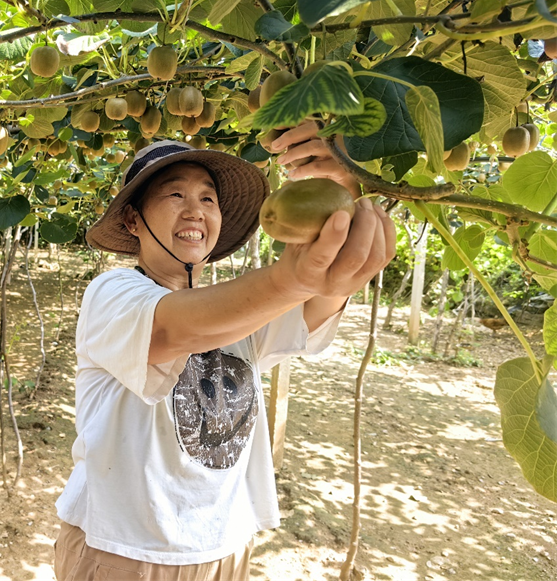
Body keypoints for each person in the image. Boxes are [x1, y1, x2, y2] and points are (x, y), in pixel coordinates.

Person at [53, 122, 395, 580]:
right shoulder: (112, 291)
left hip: (223, 544)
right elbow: (172, 331)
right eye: (175, 196)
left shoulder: (241, 312)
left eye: (207, 198)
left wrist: (342, 195)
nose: (195, 211)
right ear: (133, 221)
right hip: (124, 548)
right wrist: (286, 280)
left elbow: (317, 304)